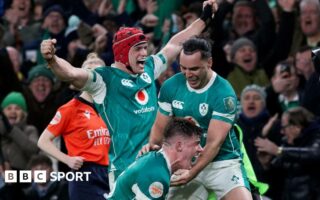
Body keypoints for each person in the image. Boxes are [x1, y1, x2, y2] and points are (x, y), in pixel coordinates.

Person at [40, 0, 218, 197]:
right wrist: (52, 60)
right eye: (138, 49)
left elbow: (175, 44)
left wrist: (203, 20)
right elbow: (72, 74)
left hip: (156, 164)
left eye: (145, 48)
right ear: (123, 52)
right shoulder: (105, 80)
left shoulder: (148, 69)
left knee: (200, 189)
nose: (144, 53)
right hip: (126, 171)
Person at [141, 36, 252, 199]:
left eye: (194, 69)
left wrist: (192, 173)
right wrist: (153, 149)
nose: (187, 74)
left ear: (209, 63)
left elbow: (214, 143)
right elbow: (159, 128)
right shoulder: (171, 86)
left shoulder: (224, 94)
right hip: (185, 160)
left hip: (222, 162)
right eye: (183, 68)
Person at [37, 53, 110, 200]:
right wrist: (67, 159)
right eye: (88, 71)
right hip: (84, 175)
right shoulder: (69, 109)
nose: (92, 76)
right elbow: (43, 141)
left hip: (111, 172)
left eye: (98, 72)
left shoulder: (112, 108)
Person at [254, 106, 320, 199]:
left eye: (284, 127)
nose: (282, 132)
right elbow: (276, 179)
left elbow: (315, 153)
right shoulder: (287, 143)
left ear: (297, 126)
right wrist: (266, 165)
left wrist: (278, 151)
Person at [115, 118, 203, 200]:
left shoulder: (155, 161)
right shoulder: (157, 176)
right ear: (179, 146)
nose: (201, 149)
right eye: (197, 144)